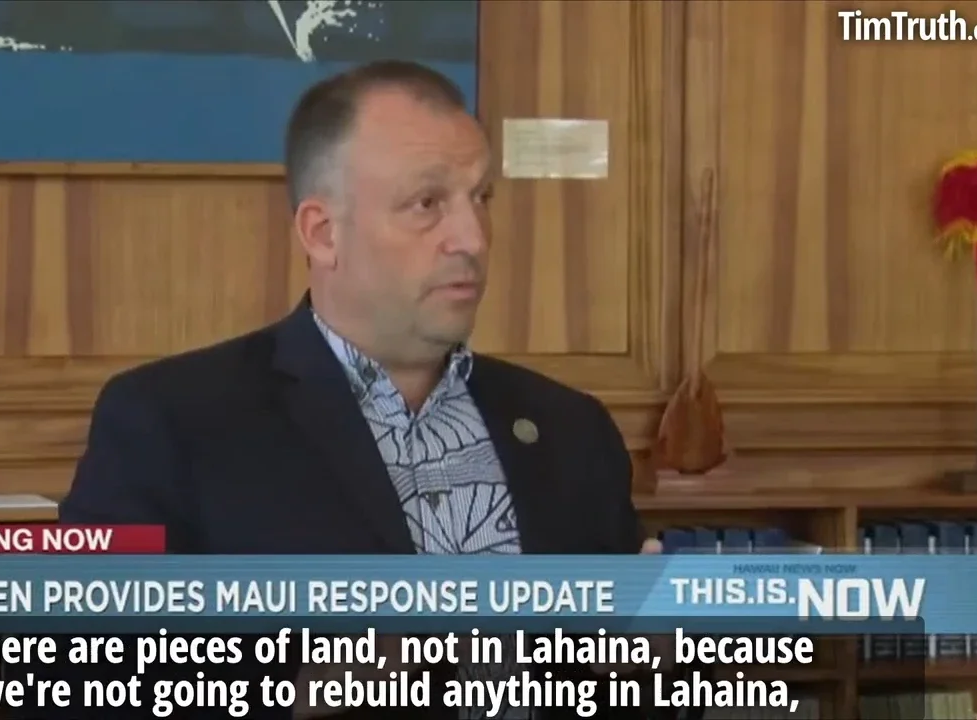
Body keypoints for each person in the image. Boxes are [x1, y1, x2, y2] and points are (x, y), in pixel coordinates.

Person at [43, 60, 660, 719]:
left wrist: (651, 670)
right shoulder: (173, 423)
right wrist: (297, 686)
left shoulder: (571, 429)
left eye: (481, 197)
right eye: (427, 204)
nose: (473, 238)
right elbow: (70, 683)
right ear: (323, 233)